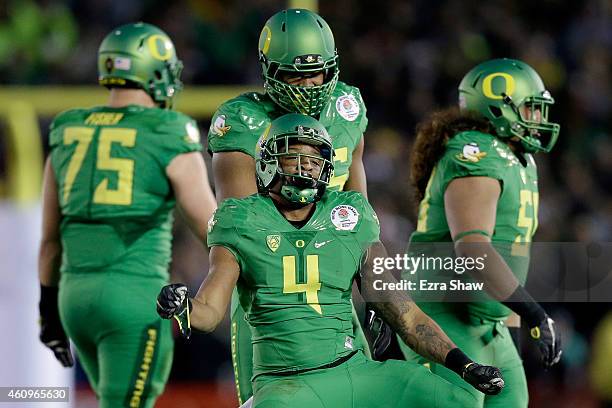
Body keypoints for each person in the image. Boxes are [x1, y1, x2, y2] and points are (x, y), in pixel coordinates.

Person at [157, 113, 506, 407]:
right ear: (267, 162)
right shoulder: (240, 219)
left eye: (313, 159)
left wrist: (463, 364)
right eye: (294, 157)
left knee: (456, 400)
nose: (305, 168)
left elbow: (406, 315)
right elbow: (210, 309)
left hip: (354, 370)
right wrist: (185, 307)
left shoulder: (350, 215)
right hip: (287, 383)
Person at [206, 8, 388, 404]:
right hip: (271, 294)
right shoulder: (243, 121)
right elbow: (242, 232)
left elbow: (359, 214)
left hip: (332, 290)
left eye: (317, 71)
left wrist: (375, 290)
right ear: (270, 70)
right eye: (295, 73)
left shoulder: (346, 107)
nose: (309, 84)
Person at [38, 22, 216, 408]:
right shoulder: (170, 130)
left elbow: (50, 241)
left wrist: (48, 314)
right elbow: (213, 229)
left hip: (73, 299)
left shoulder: (68, 129)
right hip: (132, 297)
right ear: (154, 70)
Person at [400, 58, 563, 407]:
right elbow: (474, 251)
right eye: (532, 109)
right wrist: (536, 313)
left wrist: (515, 323)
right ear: (500, 106)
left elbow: (511, 257)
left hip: (490, 323)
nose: (539, 119)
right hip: (445, 315)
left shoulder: (518, 159)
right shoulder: (477, 152)